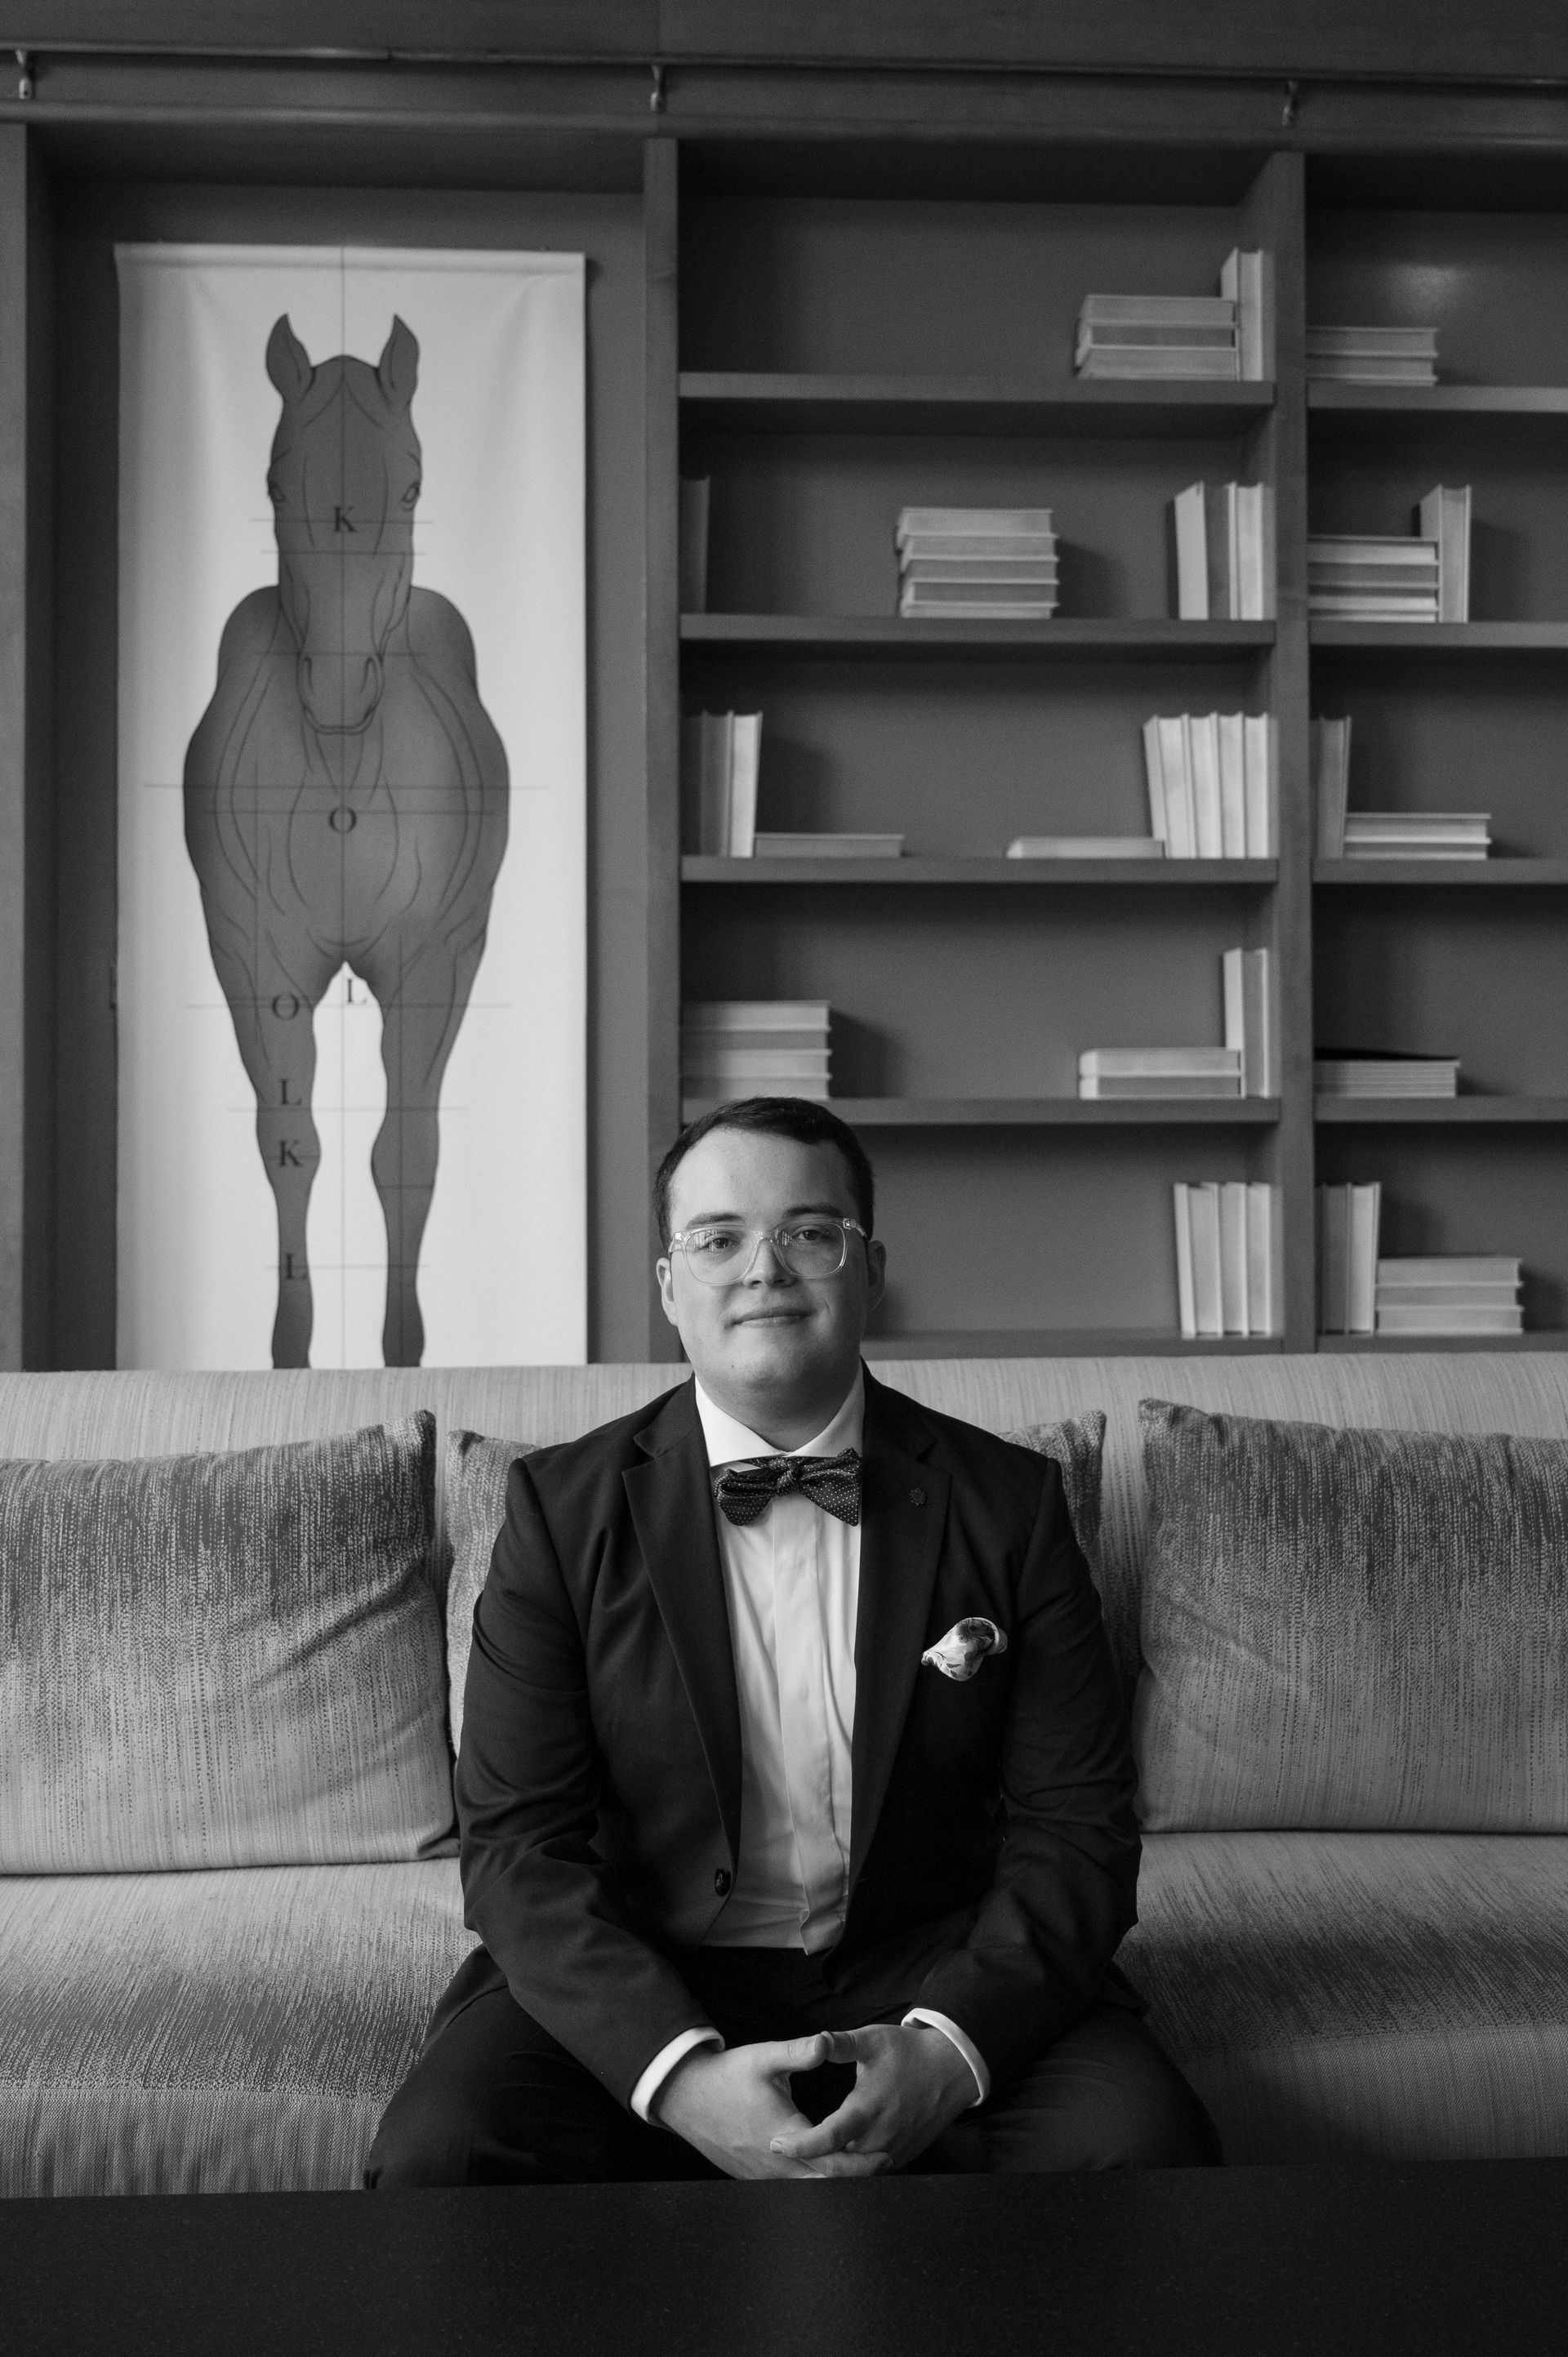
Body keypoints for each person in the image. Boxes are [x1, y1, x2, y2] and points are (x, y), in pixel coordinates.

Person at [367, 1097, 1219, 2183]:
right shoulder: (559, 1512)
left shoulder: (1011, 1505)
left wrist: (946, 2051)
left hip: (936, 1961)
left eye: (809, 1232)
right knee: (442, 2154)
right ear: (671, 1283)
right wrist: (676, 2073)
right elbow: (518, 1848)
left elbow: (1077, 1830)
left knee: (1142, 2149)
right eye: (719, 1238)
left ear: (870, 1269)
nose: (764, 1268)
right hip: (652, 1960)